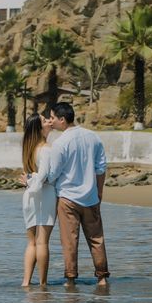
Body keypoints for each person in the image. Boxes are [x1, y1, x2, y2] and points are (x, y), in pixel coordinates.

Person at [47, 102, 110, 286]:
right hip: (90, 196)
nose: (51, 122)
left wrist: (38, 179)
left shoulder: (60, 143)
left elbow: (54, 173)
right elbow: (101, 168)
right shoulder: (94, 137)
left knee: (69, 240)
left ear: (62, 120)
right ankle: (102, 277)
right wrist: (99, 192)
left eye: (53, 118)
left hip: (67, 198)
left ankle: (70, 279)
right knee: (96, 238)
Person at [19, 113, 57, 287]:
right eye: (44, 120)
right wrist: (34, 184)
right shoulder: (46, 148)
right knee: (42, 242)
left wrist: (30, 183)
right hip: (43, 195)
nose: (49, 121)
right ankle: (43, 284)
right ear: (39, 128)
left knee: (32, 242)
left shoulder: (30, 148)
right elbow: (43, 176)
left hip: (29, 195)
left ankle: (26, 283)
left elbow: (33, 176)